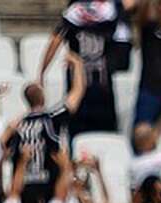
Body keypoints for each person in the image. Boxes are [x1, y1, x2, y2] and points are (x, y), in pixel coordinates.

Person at [40, 0, 121, 137]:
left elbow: (56, 40)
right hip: (100, 80)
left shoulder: (74, 11)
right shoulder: (109, 10)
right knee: (103, 131)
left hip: (80, 83)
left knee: (77, 130)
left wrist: (42, 72)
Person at [11, 55, 85, 200]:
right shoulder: (51, 118)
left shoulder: (18, 126)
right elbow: (77, 92)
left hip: (26, 190)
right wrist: (77, 65)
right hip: (51, 186)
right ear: (43, 96)